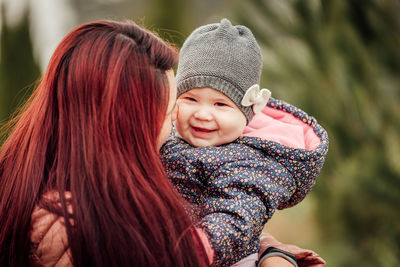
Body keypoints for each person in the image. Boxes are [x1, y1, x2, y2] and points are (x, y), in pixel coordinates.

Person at [0, 18, 321, 267]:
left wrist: (271, 251)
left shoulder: (91, 188)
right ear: (124, 126)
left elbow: (228, 219)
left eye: (220, 104)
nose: (174, 128)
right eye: (173, 111)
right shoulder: (71, 225)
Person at [0, 19, 211, 267]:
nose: (176, 118)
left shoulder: (25, 182)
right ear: (127, 130)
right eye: (166, 113)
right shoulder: (104, 230)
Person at [161, 18, 329, 266]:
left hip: (217, 257)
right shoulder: (167, 136)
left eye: (220, 104)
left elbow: (236, 218)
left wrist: (194, 250)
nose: (203, 114)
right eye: (191, 99)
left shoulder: (251, 163)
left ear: (248, 112)